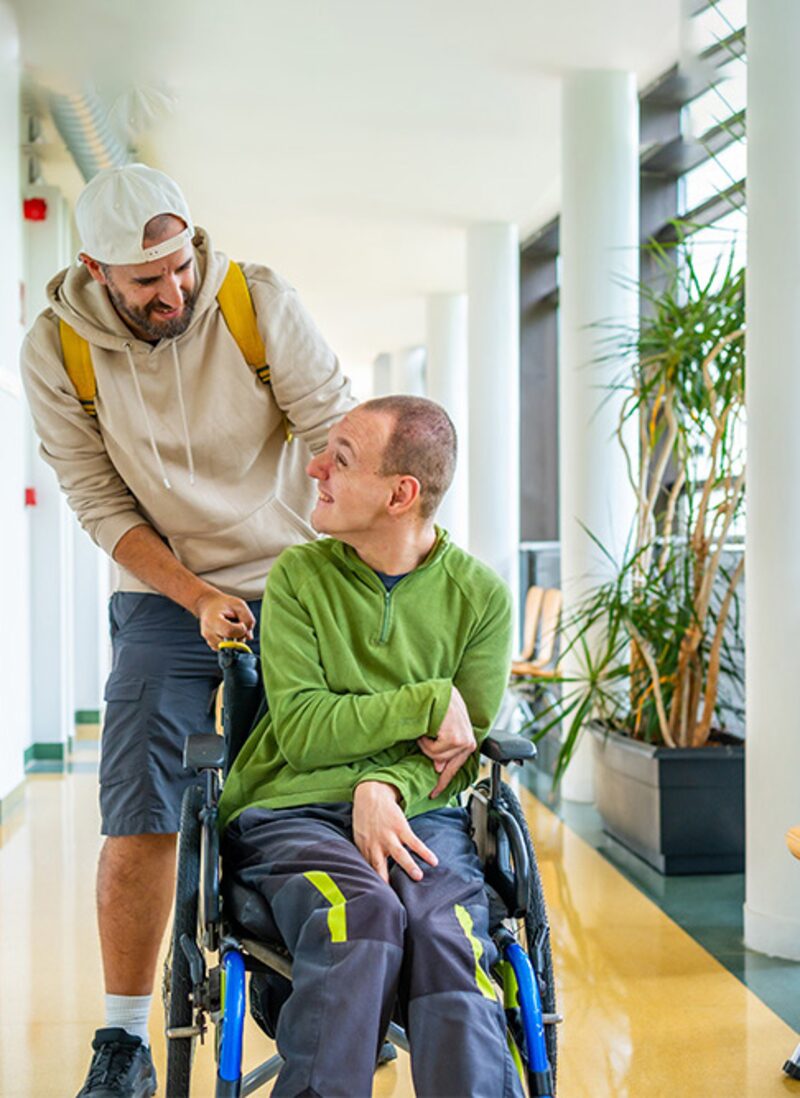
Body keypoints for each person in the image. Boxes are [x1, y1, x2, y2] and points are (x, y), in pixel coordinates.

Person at [20, 163, 355, 1098]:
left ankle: (319, 994)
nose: (173, 291)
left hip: (293, 579)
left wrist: (356, 580)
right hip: (163, 589)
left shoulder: (255, 302)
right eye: (147, 280)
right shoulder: (58, 348)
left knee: (307, 789)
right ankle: (123, 1041)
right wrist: (195, 595)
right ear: (96, 271)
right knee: (140, 808)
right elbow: (98, 501)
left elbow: (337, 435)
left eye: (180, 267)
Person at [219, 396, 524, 1098]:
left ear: (400, 494)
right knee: (359, 915)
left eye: (342, 459)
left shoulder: (480, 597)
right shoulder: (300, 577)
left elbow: (459, 754)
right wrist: (424, 702)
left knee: (448, 936)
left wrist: (380, 787)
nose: (315, 468)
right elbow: (302, 729)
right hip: (291, 810)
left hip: (421, 814)